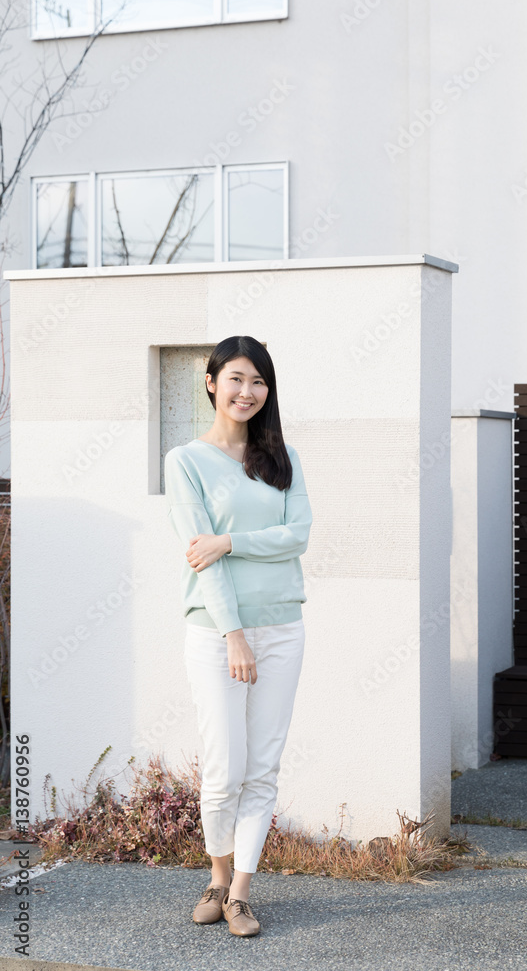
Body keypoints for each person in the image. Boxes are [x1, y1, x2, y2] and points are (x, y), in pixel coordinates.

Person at [163, 335, 312, 937]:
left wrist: (231, 540)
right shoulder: (186, 461)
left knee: (263, 767)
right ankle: (217, 876)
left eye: (258, 382)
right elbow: (202, 558)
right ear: (211, 382)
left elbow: (297, 535)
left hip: (284, 626)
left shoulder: (283, 458)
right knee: (225, 767)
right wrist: (234, 635)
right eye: (236, 380)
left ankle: (242, 893)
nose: (246, 392)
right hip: (218, 634)